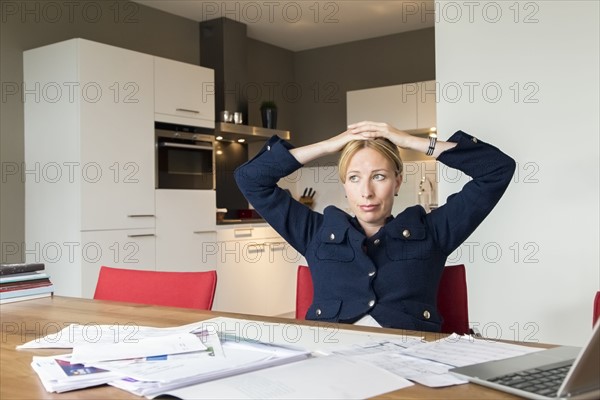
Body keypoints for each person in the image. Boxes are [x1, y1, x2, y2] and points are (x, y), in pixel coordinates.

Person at [234, 121, 516, 332]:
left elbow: (497, 169)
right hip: (332, 366)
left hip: (411, 368)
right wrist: (330, 145)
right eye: (354, 178)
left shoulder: (433, 233)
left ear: (398, 181)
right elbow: (250, 178)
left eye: (379, 176)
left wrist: (409, 140)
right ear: (344, 185)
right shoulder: (314, 233)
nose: (366, 192)